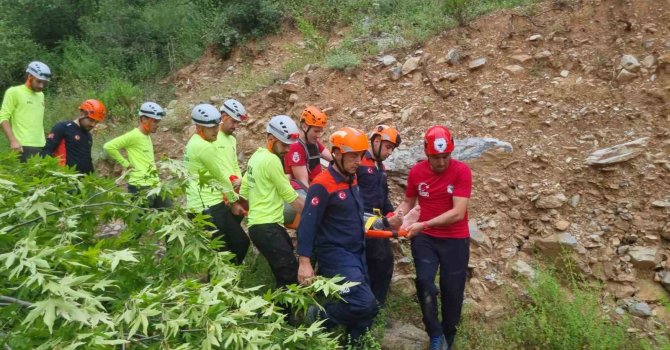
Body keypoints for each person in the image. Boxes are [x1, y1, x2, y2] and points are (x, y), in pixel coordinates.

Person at [297, 127, 378, 345]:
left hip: (356, 252)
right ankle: (320, 316)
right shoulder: (322, 185)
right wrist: (304, 262)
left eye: (360, 156)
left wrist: (389, 222)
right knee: (363, 303)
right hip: (335, 254)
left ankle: (353, 345)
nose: (358, 161)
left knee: (368, 310)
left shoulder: (352, 180)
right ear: (337, 154)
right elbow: (307, 223)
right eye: (353, 156)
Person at [394, 125, 472, 350]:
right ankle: (435, 333)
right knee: (424, 282)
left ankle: (449, 334)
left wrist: (424, 223)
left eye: (445, 156)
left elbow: (458, 213)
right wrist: (399, 216)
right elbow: (409, 201)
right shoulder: (417, 172)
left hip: (455, 238)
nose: (441, 162)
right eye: (436, 157)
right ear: (426, 153)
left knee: (452, 289)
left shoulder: (461, 171)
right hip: (425, 237)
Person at [240, 115, 304, 290]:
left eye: (289, 146)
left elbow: (244, 191)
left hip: (258, 226)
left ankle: (282, 314)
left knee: (284, 275)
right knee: (290, 277)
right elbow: (290, 196)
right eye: (284, 145)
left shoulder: (256, 156)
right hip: (268, 227)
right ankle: (285, 316)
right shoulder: (272, 160)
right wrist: (315, 215)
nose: (287, 150)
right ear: (270, 138)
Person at [184, 103, 248, 265]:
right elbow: (221, 177)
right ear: (199, 127)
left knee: (233, 246)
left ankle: (227, 281)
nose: (215, 130)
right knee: (227, 251)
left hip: (211, 204)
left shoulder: (197, 141)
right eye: (211, 127)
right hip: (206, 207)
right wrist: (235, 201)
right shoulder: (204, 147)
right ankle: (225, 283)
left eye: (216, 126)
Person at [357, 125, 403, 306]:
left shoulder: (379, 167)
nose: (390, 152)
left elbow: (383, 196)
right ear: (376, 141)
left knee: (384, 264)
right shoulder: (358, 162)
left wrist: (393, 215)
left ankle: (376, 307)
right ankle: (365, 308)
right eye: (388, 147)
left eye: (392, 148)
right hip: (361, 223)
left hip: (379, 222)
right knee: (367, 267)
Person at [103, 102, 171, 208]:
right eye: (155, 121)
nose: (158, 125)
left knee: (169, 213)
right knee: (141, 221)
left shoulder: (147, 136)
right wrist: (126, 164)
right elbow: (109, 146)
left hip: (155, 183)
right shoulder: (133, 135)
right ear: (144, 119)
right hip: (139, 186)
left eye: (159, 121)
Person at [0, 61, 52, 161]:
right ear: (29, 76)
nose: (41, 86)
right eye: (39, 81)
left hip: (41, 146)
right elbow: (3, 118)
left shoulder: (41, 95)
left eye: (44, 83)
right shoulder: (14, 92)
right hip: (21, 146)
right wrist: (13, 141)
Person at [40, 99, 106, 174]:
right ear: (82, 114)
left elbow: (87, 160)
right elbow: (46, 151)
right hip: (63, 178)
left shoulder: (88, 136)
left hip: (81, 182)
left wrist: (92, 178)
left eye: (96, 122)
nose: (93, 125)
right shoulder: (63, 127)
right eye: (91, 120)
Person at [283, 106, 332, 190]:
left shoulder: (313, 142)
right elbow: (303, 183)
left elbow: (333, 158)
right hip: (303, 191)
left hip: (317, 187)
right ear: (305, 127)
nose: (319, 135)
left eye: (321, 131)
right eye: (316, 131)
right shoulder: (296, 147)